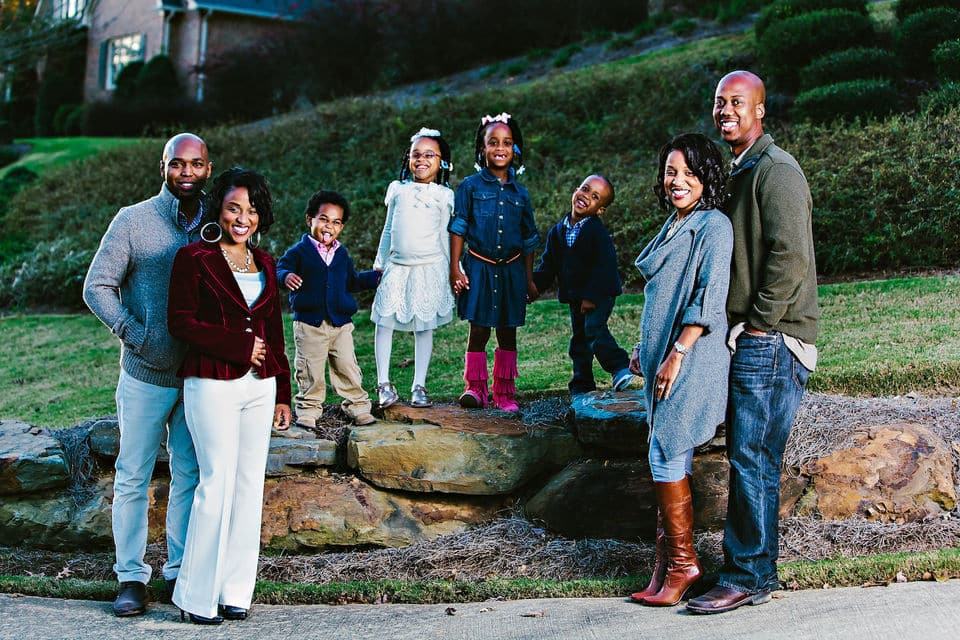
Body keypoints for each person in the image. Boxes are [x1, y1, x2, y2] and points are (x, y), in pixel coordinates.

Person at [687, 70, 818, 615]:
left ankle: (748, 575)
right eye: (719, 103)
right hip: (749, 337)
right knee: (750, 457)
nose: (725, 111)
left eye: (737, 102)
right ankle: (748, 568)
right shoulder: (739, 171)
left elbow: (789, 255)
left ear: (760, 110)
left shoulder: (777, 171)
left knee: (752, 458)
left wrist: (760, 324)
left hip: (772, 338)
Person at [82, 133, 209, 617]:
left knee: (189, 474)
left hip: (200, 375)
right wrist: (133, 333)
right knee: (133, 474)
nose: (186, 173)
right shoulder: (133, 220)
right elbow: (98, 286)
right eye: (177, 164)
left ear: (208, 168)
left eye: (195, 165)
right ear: (163, 167)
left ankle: (179, 571)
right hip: (144, 373)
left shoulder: (218, 224)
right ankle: (131, 577)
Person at [166, 167, 292, 624]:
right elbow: (180, 322)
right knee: (215, 483)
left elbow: (274, 332)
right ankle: (195, 598)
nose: (243, 218)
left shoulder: (267, 264)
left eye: (252, 211)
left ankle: (236, 591)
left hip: (259, 389)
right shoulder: (194, 258)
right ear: (220, 206)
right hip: (211, 382)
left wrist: (282, 392)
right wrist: (240, 346)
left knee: (247, 486)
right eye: (235, 208)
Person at [627, 133, 733, 607]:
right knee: (664, 455)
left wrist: (677, 353)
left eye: (689, 173)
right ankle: (664, 569)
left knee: (665, 454)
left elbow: (707, 297)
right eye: (672, 172)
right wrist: (643, 348)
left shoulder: (714, 227)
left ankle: (683, 565)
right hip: (666, 358)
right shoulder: (675, 223)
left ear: (706, 178)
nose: (678, 181)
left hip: (693, 358)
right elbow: (662, 302)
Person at [448, 112, 539, 411]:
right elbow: (459, 226)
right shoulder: (470, 187)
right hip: (480, 267)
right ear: (481, 149)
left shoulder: (521, 194)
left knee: (507, 331)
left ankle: (504, 393)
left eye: (507, 143)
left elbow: (528, 239)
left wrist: (528, 279)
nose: (500, 148)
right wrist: (455, 267)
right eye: (493, 143)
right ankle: (475, 389)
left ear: (516, 149)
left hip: (512, 271)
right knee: (480, 329)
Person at [277, 190, 380, 427]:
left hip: (340, 324)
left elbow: (351, 281)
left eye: (336, 222)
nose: (328, 226)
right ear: (309, 219)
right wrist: (286, 276)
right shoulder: (298, 252)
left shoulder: (341, 254)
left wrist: (374, 278)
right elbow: (279, 270)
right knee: (310, 369)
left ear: (341, 227)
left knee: (347, 366)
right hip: (309, 323)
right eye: (323, 219)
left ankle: (357, 405)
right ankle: (308, 410)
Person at [371, 127, 456, 409]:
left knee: (424, 325)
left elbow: (446, 234)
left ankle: (419, 385)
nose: (421, 159)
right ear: (408, 159)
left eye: (429, 154)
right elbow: (387, 229)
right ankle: (383, 384)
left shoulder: (444, 196)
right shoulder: (398, 190)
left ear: (442, 161)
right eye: (416, 154)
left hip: (429, 267)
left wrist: (452, 269)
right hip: (397, 266)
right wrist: (380, 263)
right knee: (384, 320)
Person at [531, 174, 634, 395]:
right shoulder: (558, 231)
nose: (586, 197)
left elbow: (603, 267)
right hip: (575, 295)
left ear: (600, 210)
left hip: (600, 293)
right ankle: (582, 383)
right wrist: (534, 287)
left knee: (593, 330)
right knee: (579, 339)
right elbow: (548, 265)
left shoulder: (596, 232)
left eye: (595, 196)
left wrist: (591, 296)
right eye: (585, 189)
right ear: (576, 189)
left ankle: (619, 366)